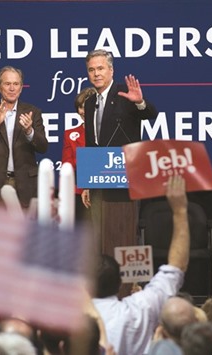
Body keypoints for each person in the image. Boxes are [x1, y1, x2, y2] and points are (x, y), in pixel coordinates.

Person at [91, 175, 190, 355]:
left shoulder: (70, 319)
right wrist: (180, 211)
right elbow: (177, 266)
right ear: (120, 283)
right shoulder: (140, 309)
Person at [81, 49, 158, 254]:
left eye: (100, 68)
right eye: (91, 70)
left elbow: (151, 113)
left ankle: (128, 284)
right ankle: (105, 282)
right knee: (100, 236)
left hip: (124, 177)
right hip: (98, 180)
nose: (96, 74)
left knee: (123, 234)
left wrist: (140, 102)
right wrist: (87, 182)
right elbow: (92, 144)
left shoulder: (125, 94)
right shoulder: (89, 103)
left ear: (111, 70)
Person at [0, 66, 48, 209]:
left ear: (21, 87)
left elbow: (43, 147)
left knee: (24, 230)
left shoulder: (33, 112)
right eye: (7, 84)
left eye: (16, 84)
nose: (12, 88)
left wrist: (29, 131)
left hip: (24, 186)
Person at [61, 87, 96, 221]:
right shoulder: (70, 134)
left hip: (104, 190)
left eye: (88, 107)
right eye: (81, 107)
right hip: (78, 191)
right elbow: (67, 165)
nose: (83, 111)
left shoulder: (107, 133)